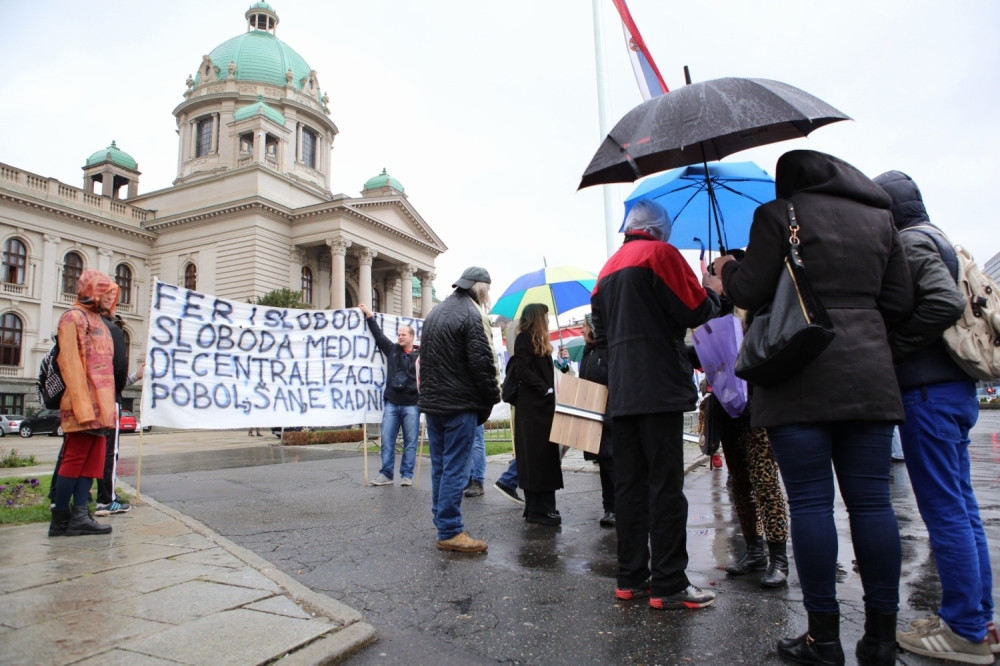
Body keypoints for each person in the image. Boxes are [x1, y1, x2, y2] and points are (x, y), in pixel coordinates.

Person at [708, 150, 914, 665]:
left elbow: (750, 290)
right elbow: (899, 302)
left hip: (797, 375)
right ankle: (881, 640)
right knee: (873, 506)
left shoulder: (781, 215)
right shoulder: (881, 220)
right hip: (868, 375)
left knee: (811, 505)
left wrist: (728, 269)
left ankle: (823, 639)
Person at [874, 170, 997, 665]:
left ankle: (964, 630)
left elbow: (943, 302)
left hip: (928, 393)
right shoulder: (938, 237)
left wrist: (895, 348)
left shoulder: (910, 243)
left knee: (945, 512)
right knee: (962, 509)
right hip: (953, 390)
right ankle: (977, 621)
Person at [591, 198, 721, 610]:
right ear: (659, 229)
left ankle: (630, 578)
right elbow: (696, 309)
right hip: (659, 387)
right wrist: (711, 289)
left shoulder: (606, 270)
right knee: (665, 488)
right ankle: (668, 583)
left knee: (629, 488)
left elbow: (601, 335)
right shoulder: (661, 255)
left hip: (623, 391)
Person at [417, 267, 500, 553]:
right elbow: (483, 364)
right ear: (480, 288)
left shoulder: (435, 313)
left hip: (435, 404)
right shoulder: (472, 313)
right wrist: (492, 398)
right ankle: (450, 529)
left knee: (441, 466)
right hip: (459, 404)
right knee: (456, 467)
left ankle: (442, 521)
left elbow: (424, 363)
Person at [48, 269, 120, 537]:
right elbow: (69, 363)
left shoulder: (98, 321)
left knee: (92, 463)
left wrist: (107, 407)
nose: (110, 299)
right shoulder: (72, 317)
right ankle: (60, 518)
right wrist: (82, 405)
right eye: (106, 294)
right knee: (74, 459)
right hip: (84, 403)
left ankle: (80, 515)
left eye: (112, 295)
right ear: (92, 292)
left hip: (102, 405)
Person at [511, 303, 564, 525]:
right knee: (536, 459)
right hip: (533, 410)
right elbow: (522, 369)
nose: (548, 320)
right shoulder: (524, 338)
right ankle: (538, 509)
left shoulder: (538, 340)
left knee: (542, 459)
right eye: (545, 317)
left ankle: (541, 507)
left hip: (541, 409)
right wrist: (544, 389)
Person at [359, 303, 420, 487]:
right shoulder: (392, 350)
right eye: (399, 334)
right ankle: (386, 474)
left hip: (412, 404)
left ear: (412, 337)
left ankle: (407, 475)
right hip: (392, 404)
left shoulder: (421, 356)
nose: (400, 337)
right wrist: (368, 315)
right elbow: (378, 335)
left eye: (404, 334)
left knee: (410, 442)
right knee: (387, 440)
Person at [94, 312, 134, 517]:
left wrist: (136, 376)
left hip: (88, 398)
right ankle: (106, 500)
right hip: (109, 400)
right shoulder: (112, 331)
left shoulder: (83, 327)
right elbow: (118, 373)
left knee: (86, 451)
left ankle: (62, 501)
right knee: (109, 451)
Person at [578, 314, 615, 527]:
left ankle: (619, 509)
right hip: (594, 417)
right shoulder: (588, 352)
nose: (582, 329)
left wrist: (608, 413)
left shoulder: (606, 351)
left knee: (613, 464)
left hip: (608, 417)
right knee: (603, 463)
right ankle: (609, 508)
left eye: (584, 325)